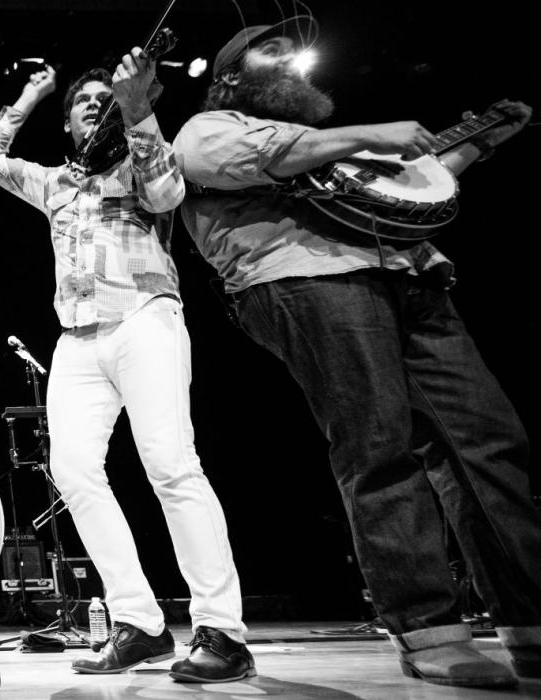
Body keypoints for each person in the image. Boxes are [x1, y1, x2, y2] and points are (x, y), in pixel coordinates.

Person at [172, 18, 539, 688]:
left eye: (293, 49)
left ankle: (530, 620)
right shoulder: (210, 127)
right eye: (271, 49)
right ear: (231, 76)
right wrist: (376, 133)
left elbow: (403, 186)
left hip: (409, 275)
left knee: (489, 443)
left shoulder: (333, 149)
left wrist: (473, 146)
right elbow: (266, 158)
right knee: (378, 446)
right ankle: (427, 630)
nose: (291, 58)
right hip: (308, 279)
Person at [0, 50, 253, 683]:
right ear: (69, 125)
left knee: (171, 466)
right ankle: (140, 624)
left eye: (105, 99)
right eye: (82, 102)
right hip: (76, 339)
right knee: (73, 472)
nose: (92, 105)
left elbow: (167, 191)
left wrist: (141, 111)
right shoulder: (51, 183)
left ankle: (222, 632)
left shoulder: (137, 161)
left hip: (144, 317)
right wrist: (32, 96)